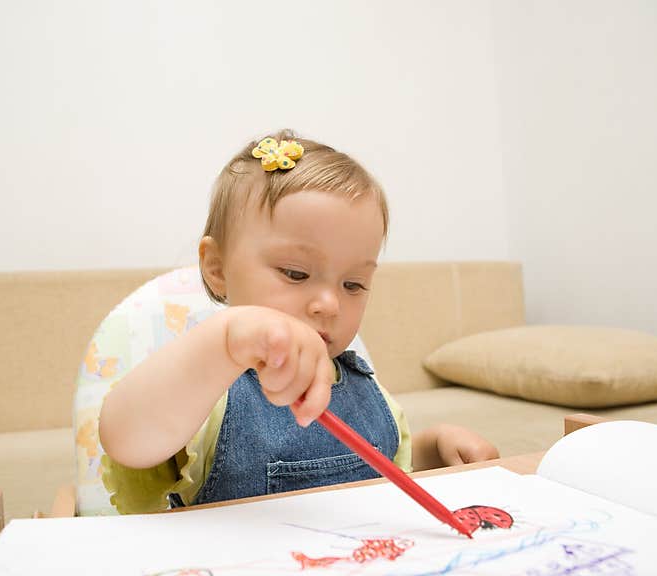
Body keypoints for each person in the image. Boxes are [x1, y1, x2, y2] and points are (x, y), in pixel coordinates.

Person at [98, 130, 499, 514]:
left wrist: (435, 452)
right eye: (294, 273)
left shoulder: (366, 390)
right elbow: (126, 439)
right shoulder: (204, 383)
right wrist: (223, 343)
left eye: (353, 284)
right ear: (218, 268)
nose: (329, 304)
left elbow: (387, 465)